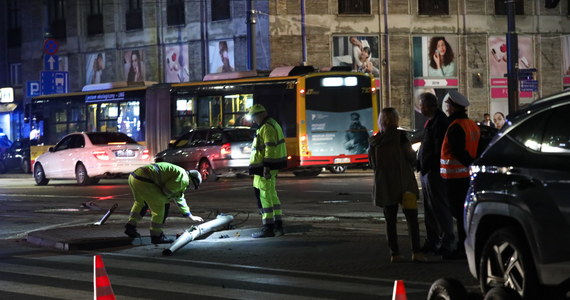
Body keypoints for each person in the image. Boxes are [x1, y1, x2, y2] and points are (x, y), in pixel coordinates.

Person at [368, 107, 426, 263]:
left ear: (381, 121)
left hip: (385, 185)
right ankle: (416, 252)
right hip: (405, 184)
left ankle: (395, 254)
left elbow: (372, 164)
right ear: (395, 120)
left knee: (390, 220)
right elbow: (411, 157)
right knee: (412, 219)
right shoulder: (401, 137)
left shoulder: (375, 141)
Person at [440, 90, 480, 259]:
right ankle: (465, 245)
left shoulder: (455, 125)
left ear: (454, 107)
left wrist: (468, 163)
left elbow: (457, 151)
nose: (446, 108)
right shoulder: (471, 124)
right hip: (466, 176)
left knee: (459, 214)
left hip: (454, 178)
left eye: (448, 105)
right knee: (465, 213)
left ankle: (462, 247)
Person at [124, 162, 204, 244]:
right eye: (192, 186)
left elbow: (179, 197)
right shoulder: (184, 178)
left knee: (141, 203)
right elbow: (167, 192)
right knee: (162, 207)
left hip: (134, 177)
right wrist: (189, 215)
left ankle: (130, 227)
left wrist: (189, 215)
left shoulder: (180, 172)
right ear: (192, 179)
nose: (189, 187)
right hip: (146, 180)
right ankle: (157, 236)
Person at [417, 93, 456, 256]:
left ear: (429, 105)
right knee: (430, 210)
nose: (420, 108)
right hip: (428, 171)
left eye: (422, 105)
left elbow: (438, 149)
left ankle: (447, 242)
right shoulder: (433, 121)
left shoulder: (439, 122)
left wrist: (427, 164)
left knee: (439, 209)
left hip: (434, 172)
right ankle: (433, 240)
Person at [248, 104, 288, 238]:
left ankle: (268, 227)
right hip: (270, 166)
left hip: (265, 167)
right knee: (271, 195)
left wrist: (266, 166)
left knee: (263, 195)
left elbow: (269, 148)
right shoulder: (272, 124)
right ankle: (278, 225)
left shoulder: (266, 127)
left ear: (260, 115)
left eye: (254, 117)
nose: (253, 121)